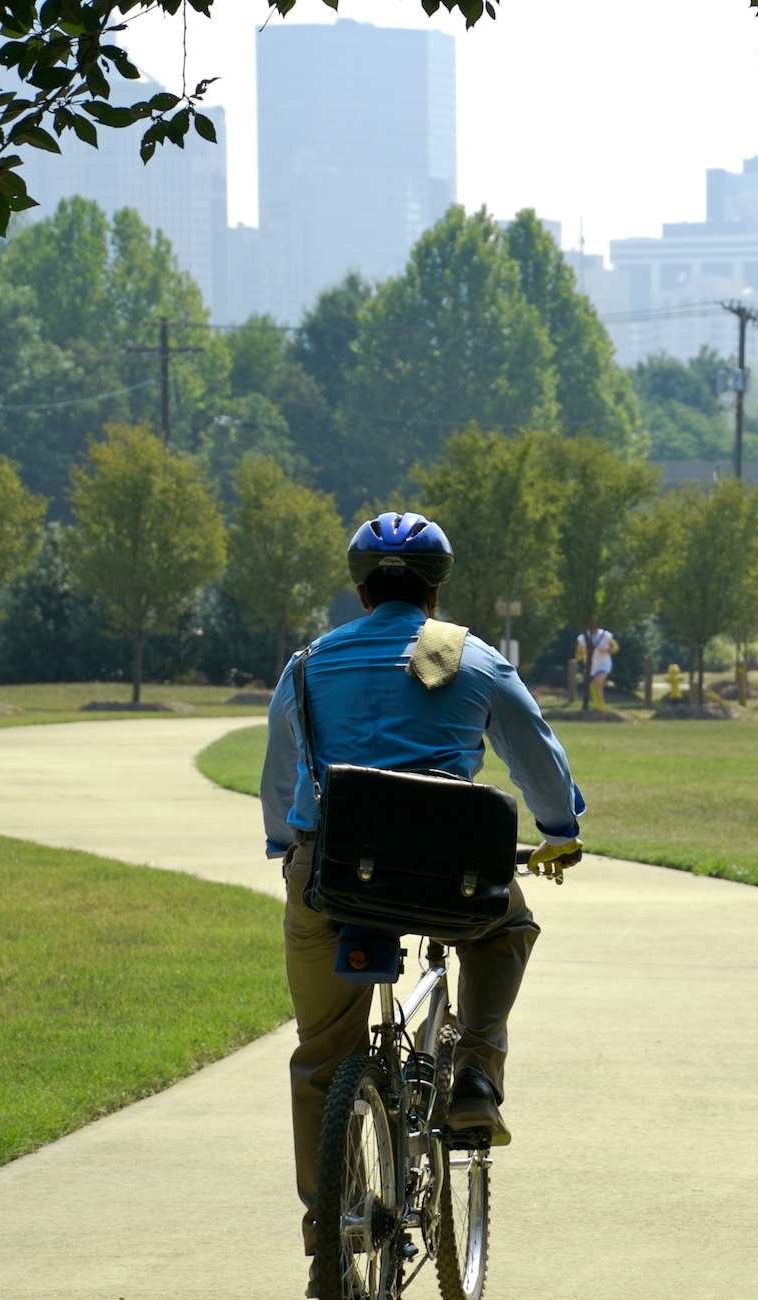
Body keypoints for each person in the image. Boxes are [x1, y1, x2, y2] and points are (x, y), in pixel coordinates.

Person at [260, 511, 584, 1293]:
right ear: (437, 589)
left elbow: (281, 780)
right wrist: (561, 828)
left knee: (320, 1055)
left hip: (331, 878)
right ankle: (474, 1071)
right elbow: (537, 757)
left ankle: (327, 1242)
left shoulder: (307, 665)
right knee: (507, 923)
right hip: (450, 881)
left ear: (360, 588)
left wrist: (284, 845)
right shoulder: (471, 656)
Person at [574, 626, 619, 710]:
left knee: (594, 685)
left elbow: (615, 648)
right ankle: (599, 709)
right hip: (591, 668)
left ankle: (600, 710)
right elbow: (578, 656)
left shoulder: (605, 635)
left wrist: (606, 651)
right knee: (593, 688)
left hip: (604, 665)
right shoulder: (583, 638)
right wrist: (584, 653)